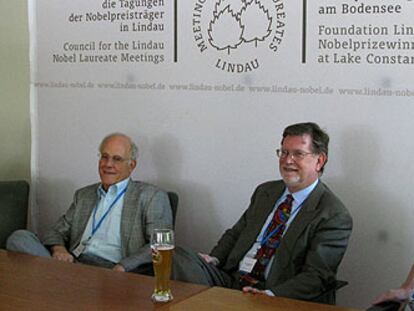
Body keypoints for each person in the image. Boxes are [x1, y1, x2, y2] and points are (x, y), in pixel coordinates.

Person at [182, 122, 353, 304]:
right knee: (178, 258)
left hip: (273, 292)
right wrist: (215, 258)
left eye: (298, 154)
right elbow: (236, 233)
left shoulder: (333, 214)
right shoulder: (265, 192)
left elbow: (317, 277)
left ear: (319, 161)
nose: (287, 160)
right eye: (284, 152)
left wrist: (271, 295)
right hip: (232, 280)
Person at [7, 133, 172, 272]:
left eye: (117, 159)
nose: (108, 164)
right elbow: (56, 231)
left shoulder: (151, 196)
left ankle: (54, 282)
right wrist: (59, 250)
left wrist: (122, 267)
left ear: (132, 165)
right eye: (104, 157)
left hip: (112, 271)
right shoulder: (84, 195)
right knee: (19, 238)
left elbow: (158, 244)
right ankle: (59, 280)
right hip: (73, 264)